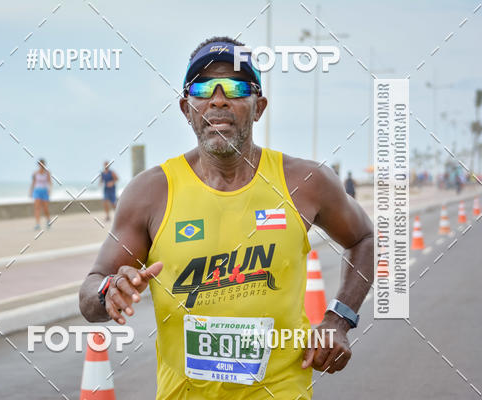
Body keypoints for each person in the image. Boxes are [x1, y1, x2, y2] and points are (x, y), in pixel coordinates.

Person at [79, 37, 374, 399]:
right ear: (187, 108)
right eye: (203, 88)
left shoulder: (306, 183)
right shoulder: (151, 193)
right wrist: (108, 292)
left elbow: (364, 238)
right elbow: (91, 291)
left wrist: (339, 319)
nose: (218, 99)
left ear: (258, 106)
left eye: (236, 88)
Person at [29, 158, 52, 230]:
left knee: (45, 208)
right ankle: (37, 224)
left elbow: (49, 182)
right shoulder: (35, 173)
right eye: (40, 164)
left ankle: (48, 221)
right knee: (37, 208)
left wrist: (49, 190)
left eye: (42, 164)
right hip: (37, 191)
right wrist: (31, 191)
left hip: (44, 191)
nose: (41, 165)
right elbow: (33, 183)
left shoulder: (47, 173)